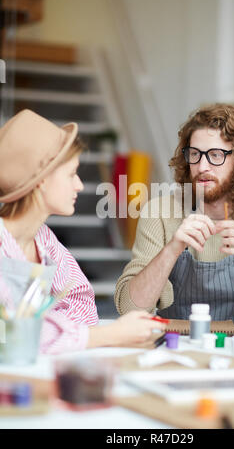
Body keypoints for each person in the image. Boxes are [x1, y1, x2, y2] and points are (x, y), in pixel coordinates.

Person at [115, 104, 234, 325]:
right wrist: (171, 250)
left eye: (215, 155)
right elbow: (129, 310)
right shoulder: (159, 212)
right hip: (175, 348)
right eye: (195, 154)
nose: (202, 166)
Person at [0, 109, 165, 355]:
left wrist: (50, 331)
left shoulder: (43, 239)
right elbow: (9, 333)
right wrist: (110, 334)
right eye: (71, 174)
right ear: (41, 181)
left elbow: (84, 305)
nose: (79, 185)